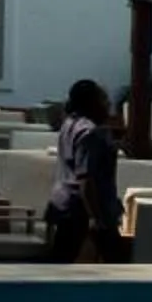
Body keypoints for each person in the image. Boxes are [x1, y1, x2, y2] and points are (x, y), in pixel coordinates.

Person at [43, 79, 124, 264]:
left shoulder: (68, 124)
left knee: (60, 261)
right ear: (91, 103)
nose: (109, 105)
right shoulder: (90, 133)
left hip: (64, 204)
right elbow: (86, 179)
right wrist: (96, 218)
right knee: (116, 264)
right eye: (104, 100)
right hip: (84, 209)